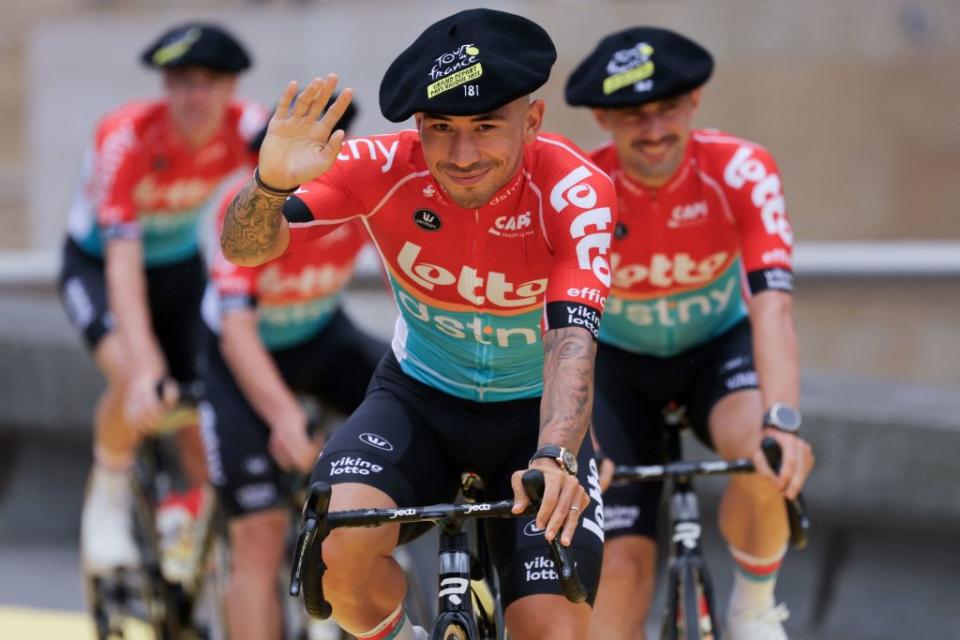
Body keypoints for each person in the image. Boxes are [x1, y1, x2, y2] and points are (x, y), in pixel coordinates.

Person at [219, 9, 617, 640]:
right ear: (416, 127)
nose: (462, 155)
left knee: (553, 630)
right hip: (419, 399)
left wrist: (558, 454)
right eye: (440, 128)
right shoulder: (381, 166)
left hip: (533, 417)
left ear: (532, 121)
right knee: (336, 550)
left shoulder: (575, 189)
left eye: (486, 126)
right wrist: (269, 185)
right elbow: (244, 247)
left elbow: (572, 338)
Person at [564, 26, 815, 639]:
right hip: (614, 367)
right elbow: (560, 326)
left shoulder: (741, 169)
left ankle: (754, 607)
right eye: (632, 115)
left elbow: (773, 308)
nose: (653, 131)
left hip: (715, 353)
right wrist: (575, 435)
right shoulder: (581, 186)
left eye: (667, 109)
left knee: (761, 453)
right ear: (601, 116)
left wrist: (783, 420)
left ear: (695, 102)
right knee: (619, 564)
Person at [58, 22, 267, 575]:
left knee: (202, 398)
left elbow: (290, 192)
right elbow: (122, 259)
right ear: (164, 87)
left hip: (177, 266)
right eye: (180, 81)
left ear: (231, 88)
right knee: (137, 380)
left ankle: (190, 518)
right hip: (98, 265)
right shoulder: (125, 136)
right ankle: (106, 497)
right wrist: (146, 358)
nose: (193, 96)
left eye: (207, 82)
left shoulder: (247, 127)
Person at [198, 102, 389, 640]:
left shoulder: (358, 191)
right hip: (244, 356)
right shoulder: (247, 209)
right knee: (259, 531)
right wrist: (283, 417)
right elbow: (236, 333)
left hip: (322, 338)